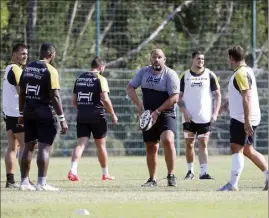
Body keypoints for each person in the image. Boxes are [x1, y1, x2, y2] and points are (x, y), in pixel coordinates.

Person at [217, 45, 268, 191]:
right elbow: (241, 94)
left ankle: (233, 184)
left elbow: (246, 97)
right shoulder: (247, 70)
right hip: (248, 116)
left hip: (242, 118)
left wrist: (246, 121)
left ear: (231, 58)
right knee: (247, 149)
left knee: (236, 148)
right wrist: (226, 104)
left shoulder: (240, 73)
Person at [18, 43, 68, 191]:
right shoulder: (51, 70)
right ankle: (41, 183)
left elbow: (21, 92)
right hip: (45, 112)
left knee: (28, 145)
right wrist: (62, 118)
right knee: (44, 147)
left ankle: (24, 182)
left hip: (28, 111)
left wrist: (21, 113)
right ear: (51, 55)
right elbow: (55, 96)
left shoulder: (27, 68)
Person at [126, 49, 180, 187]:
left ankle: (171, 175)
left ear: (164, 59)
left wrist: (157, 111)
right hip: (148, 115)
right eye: (154, 57)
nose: (157, 59)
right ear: (150, 59)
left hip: (166, 113)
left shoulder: (170, 74)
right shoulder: (144, 72)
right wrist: (139, 106)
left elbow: (175, 97)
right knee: (151, 146)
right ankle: (152, 179)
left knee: (168, 140)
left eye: (159, 57)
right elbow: (130, 87)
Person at [67, 57, 118, 182]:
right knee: (101, 146)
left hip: (82, 115)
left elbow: (74, 101)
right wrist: (112, 114)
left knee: (80, 144)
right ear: (101, 67)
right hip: (97, 116)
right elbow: (105, 99)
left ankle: (73, 170)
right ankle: (105, 174)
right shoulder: (101, 79)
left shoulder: (79, 79)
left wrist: (84, 109)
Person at [178, 50, 221, 180]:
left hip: (205, 117)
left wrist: (215, 113)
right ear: (192, 59)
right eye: (198, 59)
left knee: (203, 144)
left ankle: (203, 173)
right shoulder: (184, 76)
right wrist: (184, 111)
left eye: (202, 59)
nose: (200, 61)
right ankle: (190, 171)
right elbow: (178, 98)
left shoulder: (210, 75)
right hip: (188, 117)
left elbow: (218, 95)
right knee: (189, 144)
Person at [2, 43, 28, 188]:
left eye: (26, 53)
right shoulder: (16, 69)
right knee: (25, 146)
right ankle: (25, 179)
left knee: (13, 147)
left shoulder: (8, 69)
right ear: (14, 55)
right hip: (17, 113)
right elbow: (21, 91)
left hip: (8, 112)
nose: (25, 56)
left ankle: (10, 181)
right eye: (22, 53)